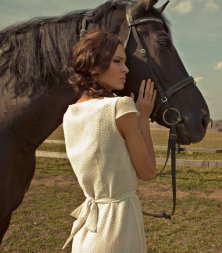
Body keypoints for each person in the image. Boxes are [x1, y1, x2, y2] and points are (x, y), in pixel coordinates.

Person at [61, 30, 156, 252]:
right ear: (94, 65)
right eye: (117, 61)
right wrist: (143, 117)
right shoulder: (119, 106)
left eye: (124, 61)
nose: (126, 69)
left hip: (88, 231)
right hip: (118, 227)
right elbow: (148, 172)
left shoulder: (70, 114)